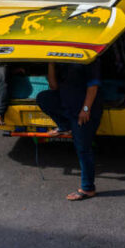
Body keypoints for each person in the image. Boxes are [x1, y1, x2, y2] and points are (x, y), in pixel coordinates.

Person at [36, 60, 104, 201]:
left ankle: (88, 188)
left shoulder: (88, 57)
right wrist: (51, 64)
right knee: (44, 98)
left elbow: (93, 87)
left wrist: (86, 109)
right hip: (68, 105)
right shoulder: (62, 59)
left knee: (83, 149)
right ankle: (65, 126)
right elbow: (53, 86)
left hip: (84, 111)